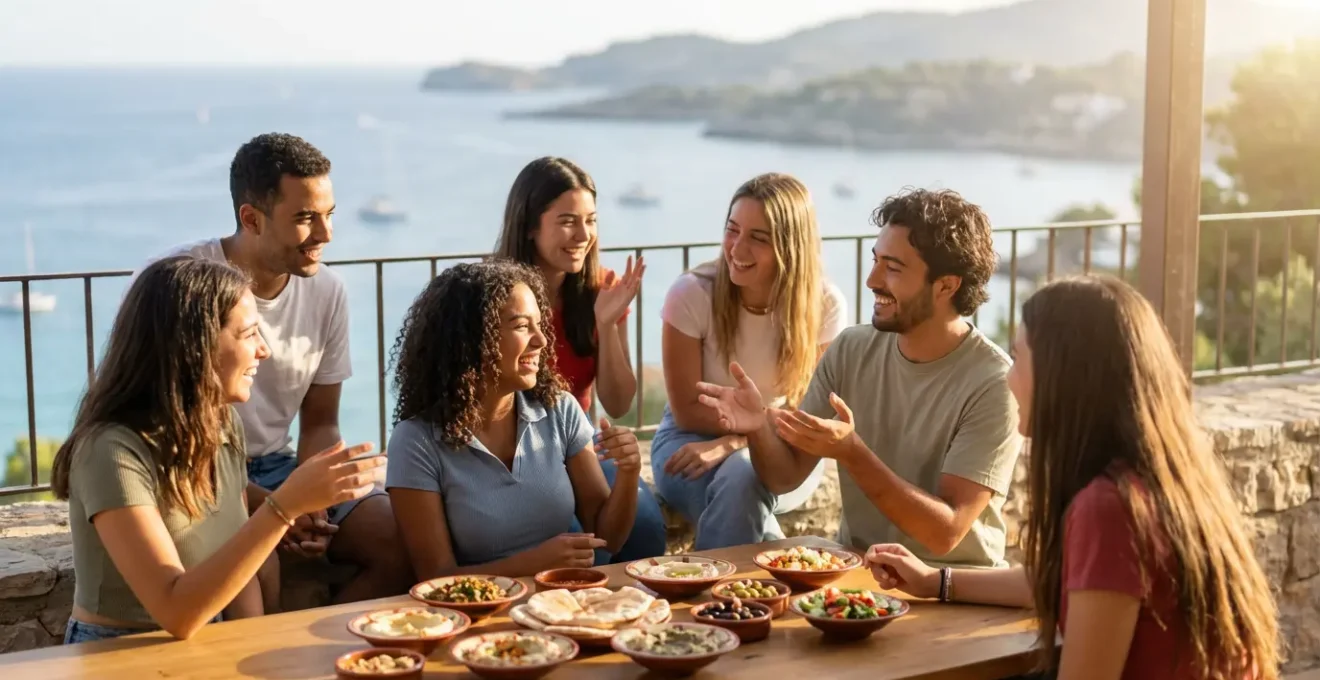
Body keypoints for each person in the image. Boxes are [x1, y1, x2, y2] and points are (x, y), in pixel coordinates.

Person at [866, 275, 1281, 680]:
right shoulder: (1161, 475)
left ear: (1063, 377)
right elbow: (1063, 582)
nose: (1009, 378)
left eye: (1019, 357)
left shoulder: (1111, 508)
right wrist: (936, 581)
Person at [137, 132, 412, 609]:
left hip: (280, 465)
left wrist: (317, 505)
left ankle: (325, 652)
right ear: (251, 218)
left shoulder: (328, 291)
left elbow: (322, 422)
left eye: (329, 215)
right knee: (258, 574)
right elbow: (156, 432)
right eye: (306, 218)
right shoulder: (180, 281)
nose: (326, 236)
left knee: (398, 539)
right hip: (198, 465)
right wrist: (279, 506)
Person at [52, 256, 386, 643]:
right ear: (196, 345)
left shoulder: (219, 422)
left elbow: (236, 569)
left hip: (209, 638)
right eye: (248, 335)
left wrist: (259, 651)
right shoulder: (110, 451)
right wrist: (284, 507)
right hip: (122, 651)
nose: (264, 351)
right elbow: (175, 610)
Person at [696, 188, 1023, 567]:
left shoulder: (994, 383)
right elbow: (784, 478)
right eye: (875, 260)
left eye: (893, 267)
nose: (872, 280)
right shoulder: (852, 348)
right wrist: (758, 428)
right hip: (857, 575)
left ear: (946, 286)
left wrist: (852, 452)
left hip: (950, 589)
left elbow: (943, 533)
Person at [384, 260, 643, 577]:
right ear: (473, 339)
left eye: (539, 324)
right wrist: (535, 564)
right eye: (522, 326)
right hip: (477, 615)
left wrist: (629, 473)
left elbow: (609, 540)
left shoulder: (560, 408)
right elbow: (435, 576)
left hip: (562, 604)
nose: (542, 341)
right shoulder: (416, 441)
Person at [650, 173, 847, 549]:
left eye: (758, 238)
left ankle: (716, 601)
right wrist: (740, 435)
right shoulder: (692, 294)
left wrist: (733, 441)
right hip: (688, 439)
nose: (737, 248)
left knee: (743, 473)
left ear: (791, 247)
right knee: (744, 485)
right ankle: (764, 589)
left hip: (783, 447)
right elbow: (689, 411)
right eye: (732, 230)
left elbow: (807, 417)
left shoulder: (825, 305)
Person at [492, 156, 666, 563]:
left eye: (591, 220)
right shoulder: (493, 292)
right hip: (517, 451)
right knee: (581, 540)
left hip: (580, 445)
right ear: (531, 225)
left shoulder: (602, 289)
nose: (583, 235)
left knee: (644, 526)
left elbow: (620, 403)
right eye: (568, 221)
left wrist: (606, 323)